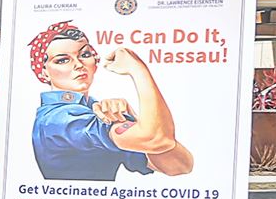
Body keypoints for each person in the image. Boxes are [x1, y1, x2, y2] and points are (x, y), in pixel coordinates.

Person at [26, 23, 192, 181]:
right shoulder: (58, 118)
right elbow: (157, 139)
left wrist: (131, 117)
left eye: (84, 55)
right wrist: (138, 70)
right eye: (62, 60)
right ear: (44, 73)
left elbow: (179, 166)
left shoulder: (93, 110)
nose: (78, 65)